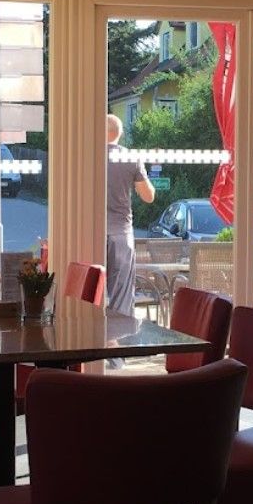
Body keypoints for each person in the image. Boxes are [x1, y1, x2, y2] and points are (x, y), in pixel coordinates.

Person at [105, 114, 155, 366]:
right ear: (120, 134)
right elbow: (148, 196)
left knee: (88, 294)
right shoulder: (130, 157)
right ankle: (115, 360)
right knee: (120, 295)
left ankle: (87, 355)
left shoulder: (87, 155)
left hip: (91, 232)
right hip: (121, 234)